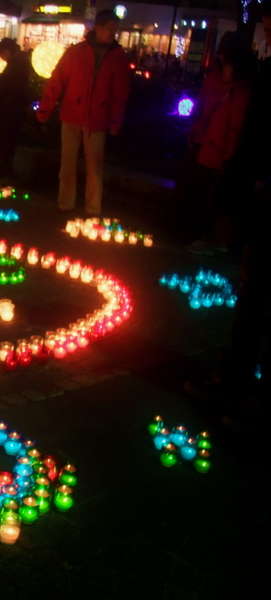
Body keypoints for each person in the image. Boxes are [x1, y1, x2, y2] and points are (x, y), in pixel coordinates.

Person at [185, 5, 271, 432]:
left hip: (265, 196)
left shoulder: (256, 84)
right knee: (252, 294)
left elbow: (251, 134)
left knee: (263, 297)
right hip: (261, 201)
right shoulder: (257, 77)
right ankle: (236, 377)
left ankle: (259, 397)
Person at [36, 9, 131, 215]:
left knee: (95, 167)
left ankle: (92, 208)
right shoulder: (77, 52)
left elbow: (120, 93)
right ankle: (66, 203)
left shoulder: (117, 58)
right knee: (68, 164)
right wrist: (45, 107)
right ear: (98, 28)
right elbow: (57, 80)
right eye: (109, 28)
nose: (112, 33)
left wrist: (115, 121)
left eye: (115, 29)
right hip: (72, 115)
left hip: (97, 119)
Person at [184, 43, 255, 255]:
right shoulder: (231, 92)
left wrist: (228, 162)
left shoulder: (240, 97)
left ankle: (213, 240)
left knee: (214, 202)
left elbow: (234, 133)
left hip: (218, 160)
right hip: (209, 154)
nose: (223, 70)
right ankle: (205, 237)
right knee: (206, 201)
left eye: (227, 66)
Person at [0, 38, 32, 184]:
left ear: (6, 52)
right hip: (14, 108)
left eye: (1, 54)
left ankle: (6, 172)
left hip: (10, 108)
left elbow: (9, 87)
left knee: (4, 141)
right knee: (7, 142)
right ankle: (3, 171)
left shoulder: (16, 65)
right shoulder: (20, 63)